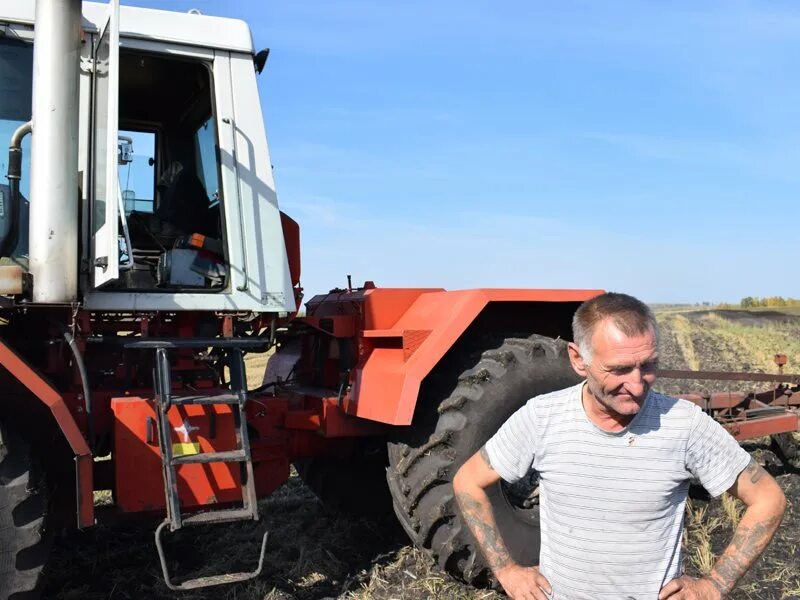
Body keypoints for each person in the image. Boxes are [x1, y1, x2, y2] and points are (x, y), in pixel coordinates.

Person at [453, 292, 786, 600]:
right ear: (578, 359)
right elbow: (468, 482)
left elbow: (768, 498)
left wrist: (715, 585)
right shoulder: (542, 418)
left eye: (649, 365)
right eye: (619, 369)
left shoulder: (685, 425)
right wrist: (506, 570)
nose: (638, 385)